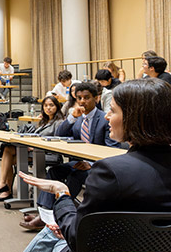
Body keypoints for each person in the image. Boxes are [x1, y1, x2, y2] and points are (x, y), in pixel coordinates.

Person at [18, 78, 171, 252]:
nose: (107, 117)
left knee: (51, 232)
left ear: (134, 118)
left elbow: (78, 239)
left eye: (112, 111)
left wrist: (62, 194)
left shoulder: (110, 171)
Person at [21, 82, 123, 231]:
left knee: (76, 174)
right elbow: (59, 135)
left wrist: (91, 164)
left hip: (98, 166)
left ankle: (50, 216)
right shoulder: (78, 119)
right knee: (54, 171)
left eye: (86, 98)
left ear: (96, 98)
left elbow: (113, 150)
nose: (82, 101)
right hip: (78, 162)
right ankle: (44, 214)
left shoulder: (104, 119)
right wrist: (71, 118)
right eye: (79, 98)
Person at [0, 96, 64, 202]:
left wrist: (34, 146)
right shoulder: (43, 121)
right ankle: (4, 187)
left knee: (8, 158)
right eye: (45, 105)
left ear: (57, 107)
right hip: (34, 151)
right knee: (8, 150)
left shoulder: (59, 122)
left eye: (51, 105)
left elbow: (57, 141)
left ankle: (5, 188)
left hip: (48, 153)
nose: (48, 108)